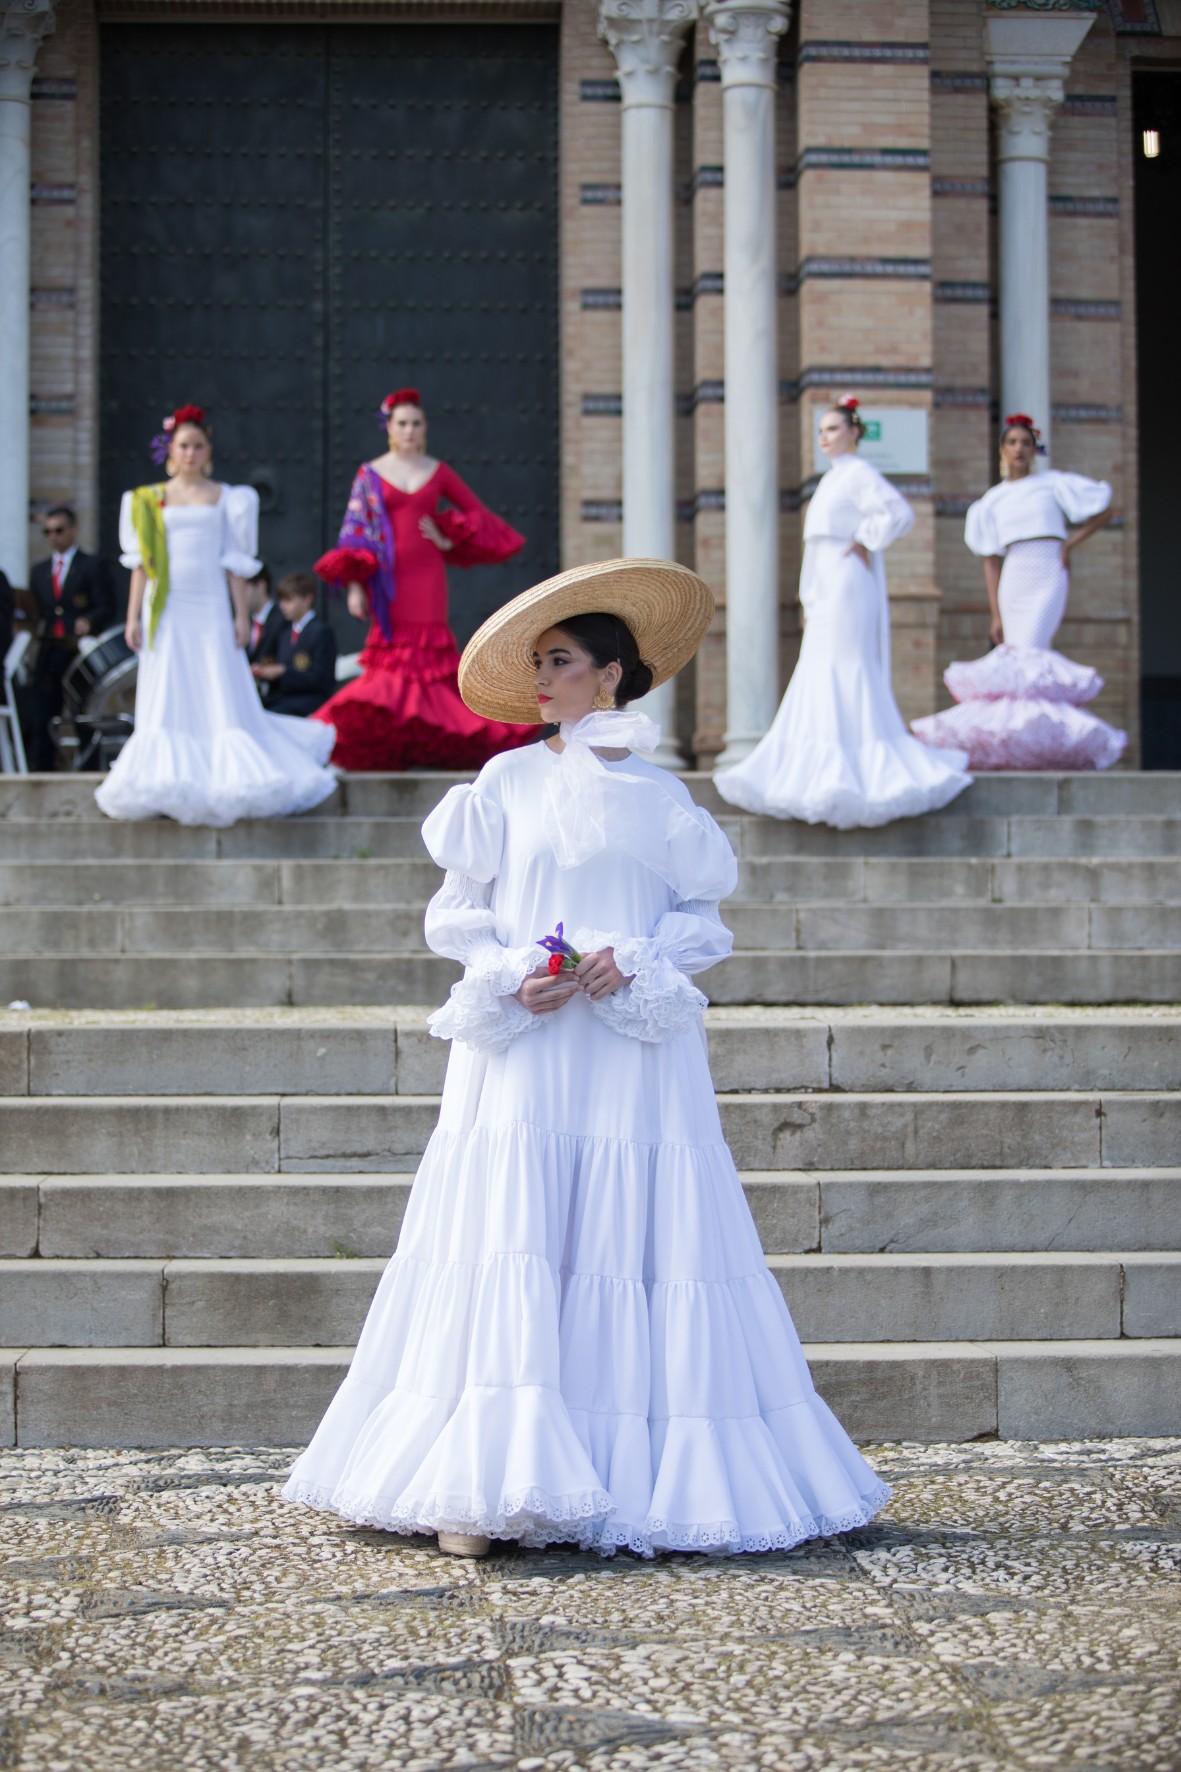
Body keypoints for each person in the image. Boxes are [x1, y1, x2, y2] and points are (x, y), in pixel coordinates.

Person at [283, 556, 891, 1559]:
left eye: (559, 660)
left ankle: (629, 1470)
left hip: (628, 1054)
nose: (543, 678)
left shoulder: (661, 798)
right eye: (537, 663)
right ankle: (480, 1481)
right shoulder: (503, 781)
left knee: (631, 1245)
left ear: (610, 673)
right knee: (511, 1233)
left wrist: (636, 954)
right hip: (525, 1046)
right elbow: (454, 909)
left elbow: (704, 919)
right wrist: (508, 964)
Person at [714, 396, 971, 828]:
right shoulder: (830, 481)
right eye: (821, 431)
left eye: (833, 429)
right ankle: (820, 762)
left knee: (847, 666)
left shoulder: (859, 473)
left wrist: (866, 539)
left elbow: (899, 513)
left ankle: (858, 761)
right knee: (820, 667)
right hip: (829, 584)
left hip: (849, 583)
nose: (825, 437)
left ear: (854, 432)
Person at [95, 404, 338, 826]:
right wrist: (133, 617)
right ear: (170, 449)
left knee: (216, 681)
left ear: (208, 450)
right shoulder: (147, 500)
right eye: (183, 445)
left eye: (198, 445)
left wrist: (240, 615)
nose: (190, 453)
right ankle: (167, 776)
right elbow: (141, 565)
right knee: (171, 682)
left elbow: (235, 563)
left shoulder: (229, 498)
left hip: (208, 604)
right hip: (166, 605)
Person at [311, 387, 537, 770]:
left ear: (425, 426)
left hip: (428, 577)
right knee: (391, 659)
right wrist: (354, 587)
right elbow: (355, 533)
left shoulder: (438, 470)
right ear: (389, 427)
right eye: (402, 423)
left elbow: (477, 514)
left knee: (430, 659)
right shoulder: (370, 474)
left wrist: (448, 537)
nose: (410, 430)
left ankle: (432, 738)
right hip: (388, 583)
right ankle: (393, 741)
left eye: (416, 423)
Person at [912, 414, 1126, 770]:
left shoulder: (1053, 484)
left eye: (1026, 443)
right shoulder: (992, 501)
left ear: (1034, 449)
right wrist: (995, 612)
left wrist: (1070, 545)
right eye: (1013, 442)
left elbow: (1107, 510)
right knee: (1014, 660)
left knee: (1032, 654)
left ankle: (1038, 739)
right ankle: (1016, 743)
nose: (1020, 449)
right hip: (1015, 572)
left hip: (1048, 570)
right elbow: (990, 560)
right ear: (1002, 449)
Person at [17, 507, 115, 772]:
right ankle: (41, 770)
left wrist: (90, 621)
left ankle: (89, 769)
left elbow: (106, 605)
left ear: (73, 529)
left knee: (83, 714)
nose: (53, 537)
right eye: (47, 531)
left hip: (79, 653)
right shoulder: (39, 572)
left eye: (58, 530)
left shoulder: (91, 566)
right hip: (50, 651)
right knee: (42, 714)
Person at [253, 573, 337, 717]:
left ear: (307, 599)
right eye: (281, 601)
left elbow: (321, 679)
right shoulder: (285, 633)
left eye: (289, 600)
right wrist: (264, 671)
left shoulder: (320, 632)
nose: (283, 606)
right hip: (284, 698)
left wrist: (284, 671)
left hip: (311, 700)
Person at [245, 564, 286, 671]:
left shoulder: (283, 620)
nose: (240, 596)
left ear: (261, 585)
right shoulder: (244, 623)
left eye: (244, 589)